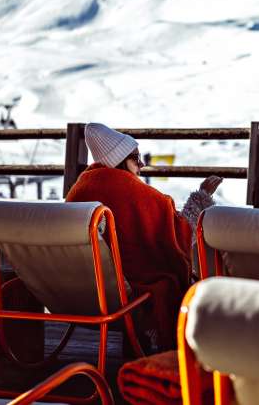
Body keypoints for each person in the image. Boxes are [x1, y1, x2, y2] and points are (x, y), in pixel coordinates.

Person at [66, 123, 222, 350]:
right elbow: (179, 233)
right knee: (169, 281)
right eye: (135, 158)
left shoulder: (79, 189)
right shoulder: (132, 192)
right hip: (124, 299)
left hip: (77, 295)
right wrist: (203, 196)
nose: (142, 164)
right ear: (120, 160)